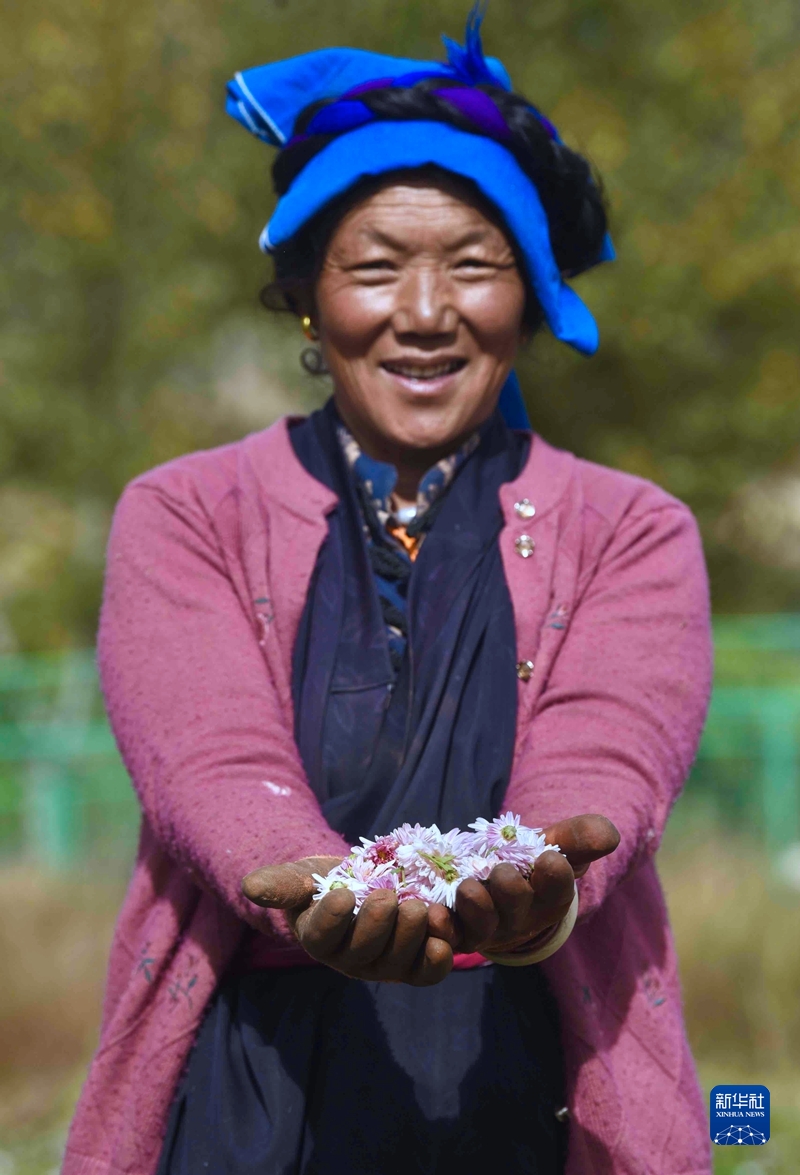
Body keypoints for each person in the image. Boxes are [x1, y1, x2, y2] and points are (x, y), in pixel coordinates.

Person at [64, 9, 713, 1175]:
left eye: (472, 264)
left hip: (529, 1081)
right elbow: (208, 755)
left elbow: (607, 750)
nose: (423, 312)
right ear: (308, 300)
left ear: (526, 299)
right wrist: (313, 883)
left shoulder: (629, 529)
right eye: (373, 267)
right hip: (250, 1084)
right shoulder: (185, 513)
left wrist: (539, 883)